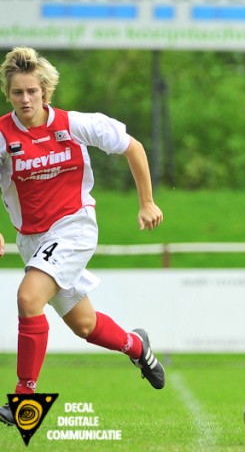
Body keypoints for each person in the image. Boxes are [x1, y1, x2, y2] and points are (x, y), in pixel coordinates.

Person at [0, 47, 165, 426]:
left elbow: (133, 147)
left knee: (28, 298)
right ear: (8, 94)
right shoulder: (2, 135)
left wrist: (147, 202)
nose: (25, 100)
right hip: (32, 240)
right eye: (17, 93)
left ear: (45, 92)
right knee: (85, 326)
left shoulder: (74, 124)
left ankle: (25, 402)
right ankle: (138, 347)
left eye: (32, 92)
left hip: (74, 228)